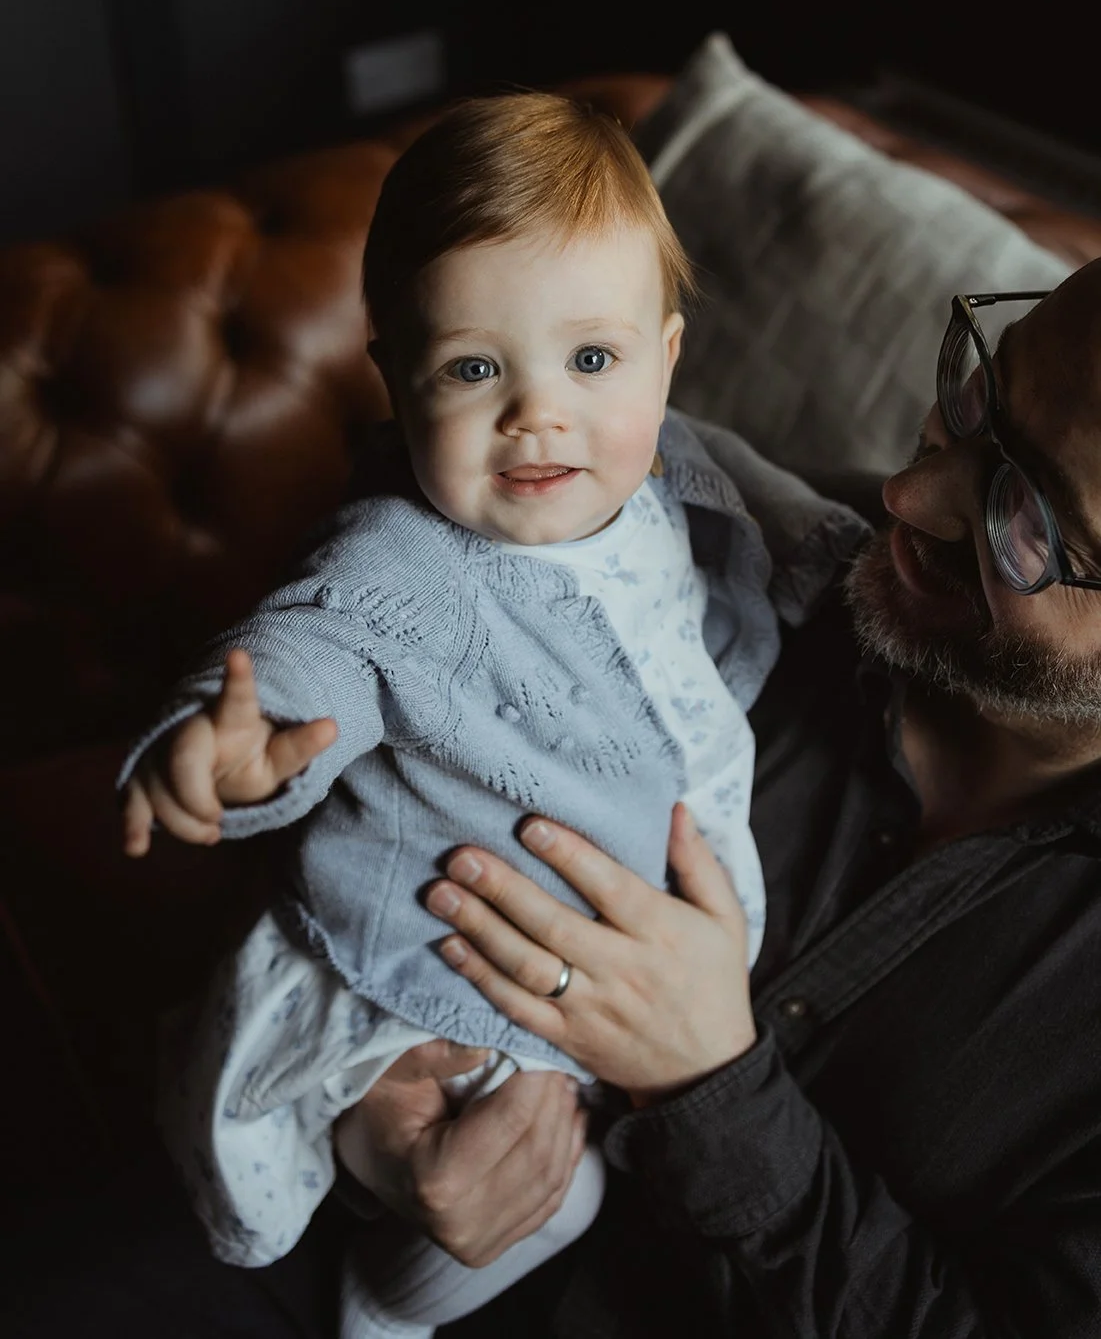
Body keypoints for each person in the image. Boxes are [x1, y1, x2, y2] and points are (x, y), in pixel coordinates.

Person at [116, 94, 864, 1339]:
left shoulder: (677, 460)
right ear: (394, 381)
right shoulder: (404, 563)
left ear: (666, 357)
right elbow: (310, 644)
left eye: (590, 360)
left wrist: (834, 563)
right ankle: (386, 1315)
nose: (538, 414)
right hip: (453, 974)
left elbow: (788, 525)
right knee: (553, 1197)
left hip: (626, 952)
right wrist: (233, 742)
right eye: (473, 369)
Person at [335, 273, 1101, 1337]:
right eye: (978, 397)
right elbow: (371, 656)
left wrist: (708, 1084)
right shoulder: (755, 547)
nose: (911, 496)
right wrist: (371, 1090)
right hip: (314, 1225)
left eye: (1031, 516)